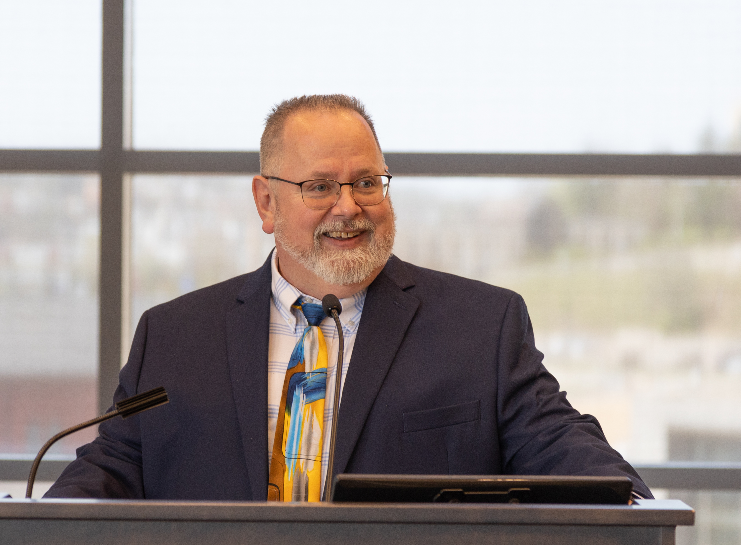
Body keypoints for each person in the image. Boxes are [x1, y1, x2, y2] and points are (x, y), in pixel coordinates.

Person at [45, 94, 651, 501]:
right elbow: (110, 472)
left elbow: (555, 441)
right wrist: (34, 528)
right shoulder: (176, 338)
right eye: (319, 187)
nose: (349, 207)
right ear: (265, 203)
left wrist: (629, 498)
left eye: (366, 183)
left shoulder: (480, 328)